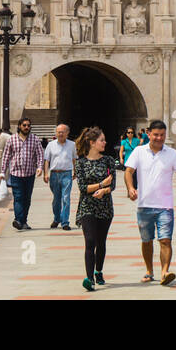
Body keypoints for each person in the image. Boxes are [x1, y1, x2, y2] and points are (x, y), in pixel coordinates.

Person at [125, 119, 176, 286]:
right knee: (146, 240)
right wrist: (131, 188)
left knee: (165, 240)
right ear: (148, 134)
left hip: (165, 206)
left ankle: (164, 272)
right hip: (144, 205)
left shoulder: (172, 153)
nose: (159, 138)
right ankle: (149, 270)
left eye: (162, 135)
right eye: (155, 135)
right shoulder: (139, 151)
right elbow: (129, 171)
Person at [74, 126, 114, 292]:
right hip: (87, 207)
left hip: (105, 207)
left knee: (101, 242)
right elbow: (83, 188)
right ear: (92, 143)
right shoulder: (80, 163)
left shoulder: (109, 161)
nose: (105, 143)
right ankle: (89, 278)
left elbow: (113, 184)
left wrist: (104, 190)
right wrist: (100, 184)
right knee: (90, 241)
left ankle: (99, 271)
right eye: (101, 140)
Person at [0, 117, 43, 231]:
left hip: (30, 174)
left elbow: (40, 155)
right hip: (16, 174)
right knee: (18, 197)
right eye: (24, 125)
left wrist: (39, 167)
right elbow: (6, 156)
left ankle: (23, 221)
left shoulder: (35, 139)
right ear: (19, 126)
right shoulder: (12, 139)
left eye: (28, 125)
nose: (26, 127)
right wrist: (2, 172)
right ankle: (18, 220)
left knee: (27, 199)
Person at [42, 123, 75, 230]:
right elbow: (47, 160)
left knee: (66, 198)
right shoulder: (51, 145)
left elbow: (74, 158)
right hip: (54, 174)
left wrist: (76, 171)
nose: (60, 134)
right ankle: (57, 219)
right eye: (58, 132)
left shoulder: (72, 145)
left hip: (67, 174)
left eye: (62, 132)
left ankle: (65, 222)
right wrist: (45, 173)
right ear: (56, 133)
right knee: (56, 199)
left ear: (67, 133)